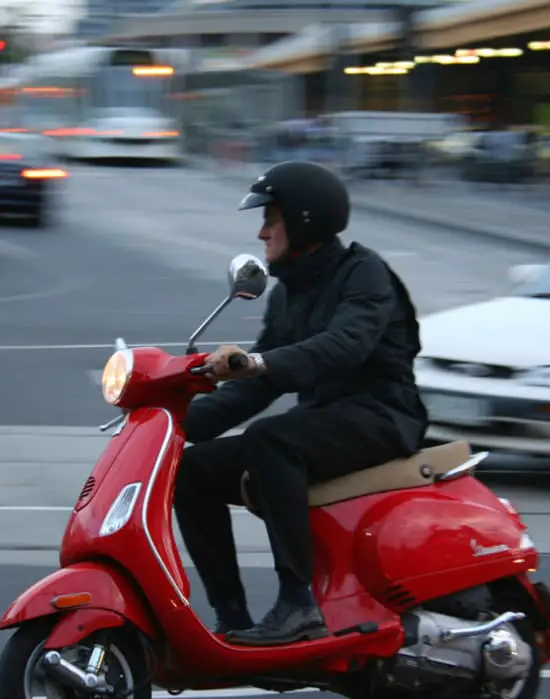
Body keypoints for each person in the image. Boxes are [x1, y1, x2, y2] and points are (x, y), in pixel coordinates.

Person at [175, 161, 428, 647]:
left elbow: (345, 345)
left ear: (305, 220)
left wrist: (256, 361)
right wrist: (172, 425)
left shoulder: (364, 274)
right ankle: (232, 617)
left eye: (271, 218)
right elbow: (255, 388)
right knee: (192, 469)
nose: (262, 231)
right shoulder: (289, 292)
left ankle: (298, 603)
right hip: (324, 423)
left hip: (383, 416)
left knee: (270, 439)